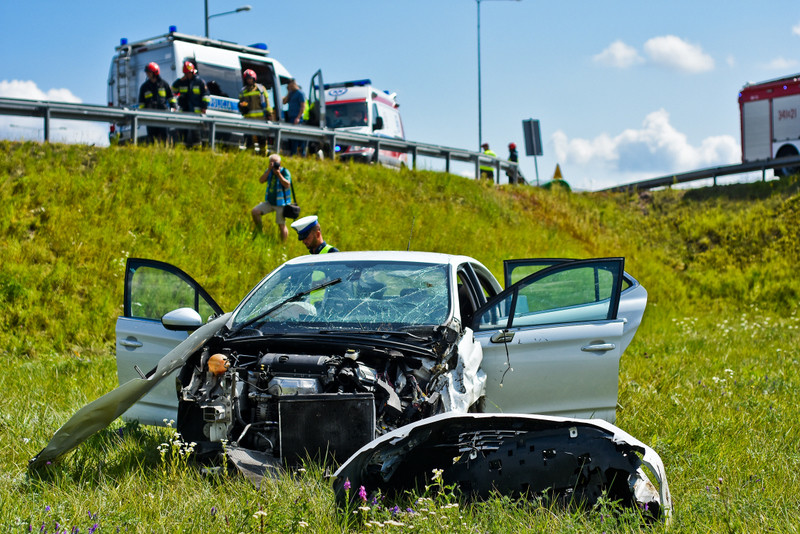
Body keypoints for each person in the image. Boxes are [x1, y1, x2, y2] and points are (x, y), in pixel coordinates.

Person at [251, 154, 292, 241]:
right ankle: (260, 231)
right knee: (255, 212)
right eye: (271, 162)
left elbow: (287, 184)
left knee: (281, 225)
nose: (273, 164)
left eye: (275, 162)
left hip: (281, 203)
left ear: (280, 163)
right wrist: (269, 170)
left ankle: (283, 245)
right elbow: (261, 180)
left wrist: (279, 174)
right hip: (270, 202)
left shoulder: (285, 171)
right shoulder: (268, 171)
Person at [172, 61, 210, 147]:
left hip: (195, 112)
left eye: (188, 73)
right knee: (182, 132)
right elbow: (173, 90)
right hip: (184, 111)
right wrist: (179, 81)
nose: (187, 75)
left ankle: (197, 150)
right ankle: (182, 149)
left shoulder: (199, 82)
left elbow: (206, 95)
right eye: (185, 73)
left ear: (192, 72)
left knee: (196, 133)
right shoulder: (182, 82)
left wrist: (204, 107)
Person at [138, 62, 176, 144]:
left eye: (149, 72)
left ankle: (166, 151)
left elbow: (171, 97)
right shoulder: (144, 87)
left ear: (155, 72)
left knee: (164, 136)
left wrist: (173, 107)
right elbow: (141, 103)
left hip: (163, 114)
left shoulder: (164, 84)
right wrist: (143, 114)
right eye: (147, 72)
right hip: (150, 115)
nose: (147, 74)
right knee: (152, 138)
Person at [238, 69, 272, 153]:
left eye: (250, 78)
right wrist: (242, 106)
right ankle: (250, 156)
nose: (249, 80)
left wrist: (269, 114)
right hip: (248, 119)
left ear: (254, 78)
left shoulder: (260, 89)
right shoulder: (243, 91)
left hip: (260, 119)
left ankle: (263, 155)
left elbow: (267, 102)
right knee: (249, 139)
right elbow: (240, 104)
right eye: (247, 79)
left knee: (262, 139)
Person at [282, 78, 307, 155]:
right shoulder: (291, 93)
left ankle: (300, 154)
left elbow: (303, 106)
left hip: (297, 118)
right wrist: (288, 92)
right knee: (292, 138)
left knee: (298, 137)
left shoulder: (300, 93)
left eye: (289, 85)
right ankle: (293, 153)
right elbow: (284, 102)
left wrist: (298, 117)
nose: (289, 86)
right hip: (291, 118)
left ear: (293, 83)